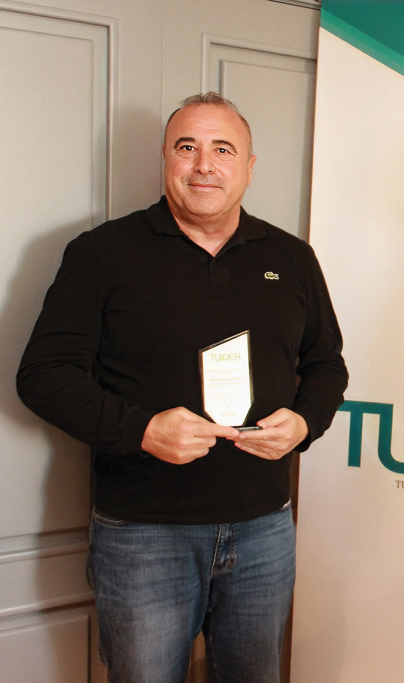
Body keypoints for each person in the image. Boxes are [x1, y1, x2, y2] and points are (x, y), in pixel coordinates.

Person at [17, 92, 348, 682]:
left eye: (223, 149)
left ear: (249, 166)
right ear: (165, 159)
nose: (204, 165)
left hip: (264, 528)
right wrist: (141, 430)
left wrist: (304, 423)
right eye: (187, 147)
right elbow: (43, 374)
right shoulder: (101, 254)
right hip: (144, 535)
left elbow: (327, 365)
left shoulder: (293, 258)